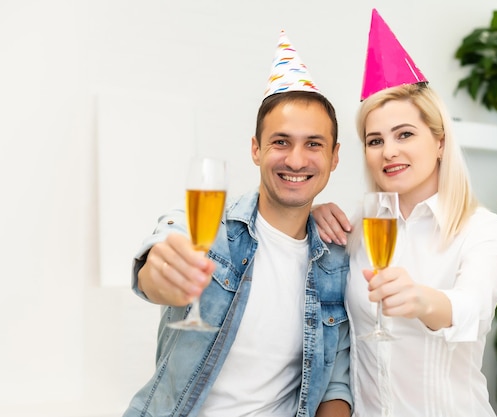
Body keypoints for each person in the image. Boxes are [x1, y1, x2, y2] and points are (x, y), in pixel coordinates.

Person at [123, 30, 352, 417]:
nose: (296, 160)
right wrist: (161, 270)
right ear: (255, 149)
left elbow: (335, 384)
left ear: (334, 157)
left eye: (313, 144)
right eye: (281, 142)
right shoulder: (207, 227)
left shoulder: (337, 260)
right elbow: (160, 256)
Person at [312, 9, 497, 417]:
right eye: (375, 140)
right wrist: (312, 211)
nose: (389, 151)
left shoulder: (486, 231)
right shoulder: (362, 222)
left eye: (405, 134)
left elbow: (472, 309)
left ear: (439, 141)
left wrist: (421, 299)